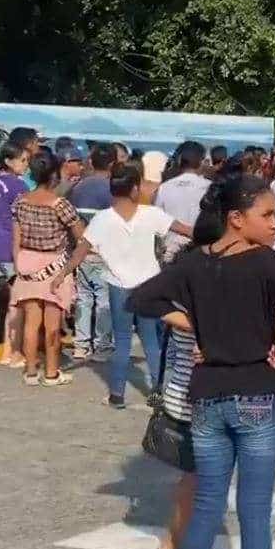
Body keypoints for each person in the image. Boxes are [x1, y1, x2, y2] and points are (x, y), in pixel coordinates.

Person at [131, 173, 275, 549]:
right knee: (254, 511)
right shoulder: (267, 264)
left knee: (209, 503)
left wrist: (190, 322)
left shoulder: (194, 264)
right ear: (236, 219)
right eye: (266, 215)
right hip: (259, 391)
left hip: (208, 396)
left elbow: (142, 298)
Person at [56, 164, 192, 409]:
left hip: (119, 286)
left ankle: (117, 395)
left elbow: (80, 252)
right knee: (152, 341)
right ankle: (157, 392)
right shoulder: (151, 214)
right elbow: (185, 230)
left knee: (122, 342)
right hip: (150, 285)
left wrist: (61, 275)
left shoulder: (102, 219)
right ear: (135, 189)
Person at [147, 204, 226, 549]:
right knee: (202, 479)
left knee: (195, 476)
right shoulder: (203, 286)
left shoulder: (184, 282)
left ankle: (176, 543)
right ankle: (180, 545)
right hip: (200, 398)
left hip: (183, 395)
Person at [11, 150, 84, 386]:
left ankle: (30, 372)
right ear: (54, 174)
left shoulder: (20, 202)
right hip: (54, 266)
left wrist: (19, 266)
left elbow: (16, 240)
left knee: (32, 322)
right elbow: (81, 238)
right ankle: (52, 373)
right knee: (53, 324)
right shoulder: (60, 205)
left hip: (27, 264)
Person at [0, 141, 31, 367]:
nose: (26, 165)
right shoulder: (17, 186)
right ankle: (14, 352)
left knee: (12, 301)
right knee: (16, 304)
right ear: (9, 161)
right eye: (23, 160)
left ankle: (8, 350)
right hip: (12, 249)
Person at [66, 144, 117, 361]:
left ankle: (81, 344)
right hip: (104, 253)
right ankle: (102, 346)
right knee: (104, 300)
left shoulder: (77, 188)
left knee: (84, 299)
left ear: (90, 163)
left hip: (81, 252)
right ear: (113, 164)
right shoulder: (112, 190)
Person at [156, 141, 212, 261]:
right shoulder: (210, 188)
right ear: (201, 162)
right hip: (201, 252)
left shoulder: (165, 187)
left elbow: (158, 221)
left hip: (170, 253)